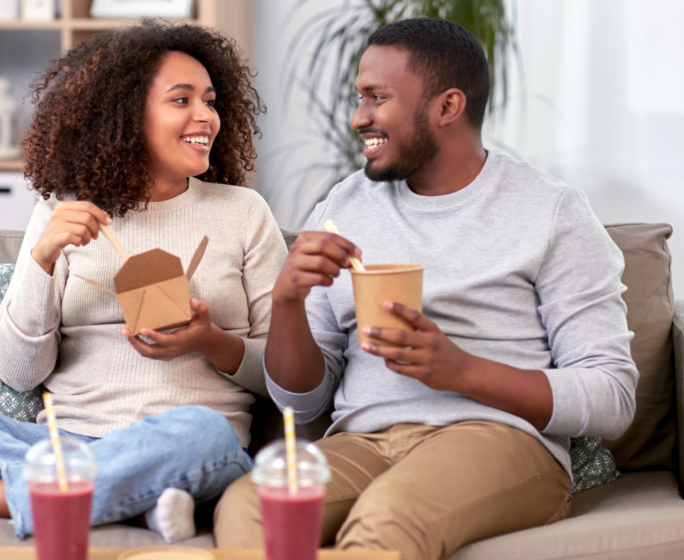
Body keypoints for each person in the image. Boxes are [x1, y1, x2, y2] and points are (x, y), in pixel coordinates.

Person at [0, 19, 287, 543]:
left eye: (210, 100)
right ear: (126, 115)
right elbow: (20, 373)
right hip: (62, 442)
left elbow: (283, 378)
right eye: (182, 101)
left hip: (188, 436)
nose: (206, 116)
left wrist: (209, 340)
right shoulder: (62, 212)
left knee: (201, 434)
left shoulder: (244, 214)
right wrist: (43, 259)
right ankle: (130, 496)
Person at [213, 17, 639, 560]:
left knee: (389, 517)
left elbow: (612, 396)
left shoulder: (551, 212)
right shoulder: (342, 208)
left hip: (496, 439)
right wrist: (287, 302)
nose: (357, 117)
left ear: (446, 107)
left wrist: (461, 370)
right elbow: (303, 400)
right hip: (360, 442)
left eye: (377, 98)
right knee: (250, 506)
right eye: (359, 97)